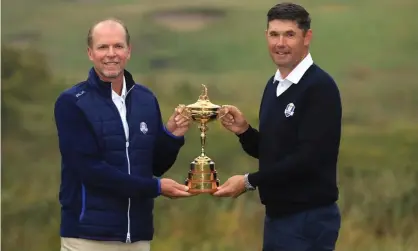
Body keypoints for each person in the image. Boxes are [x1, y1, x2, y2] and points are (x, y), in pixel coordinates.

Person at [54, 18, 192, 251]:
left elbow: (154, 166)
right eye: (102, 47)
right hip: (87, 237)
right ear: (90, 53)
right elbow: (90, 170)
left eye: (118, 46)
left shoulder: (146, 100)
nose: (111, 54)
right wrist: (156, 188)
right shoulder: (71, 103)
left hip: (137, 237)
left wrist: (172, 137)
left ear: (129, 51)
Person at [213, 3, 342, 251]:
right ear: (266, 36)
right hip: (278, 217)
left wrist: (249, 181)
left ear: (307, 37)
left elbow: (309, 159)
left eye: (289, 34)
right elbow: (276, 153)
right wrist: (245, 131)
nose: (280, 43)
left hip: (308, 219)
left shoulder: (319, 87)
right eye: (274, 34)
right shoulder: (273, 86)